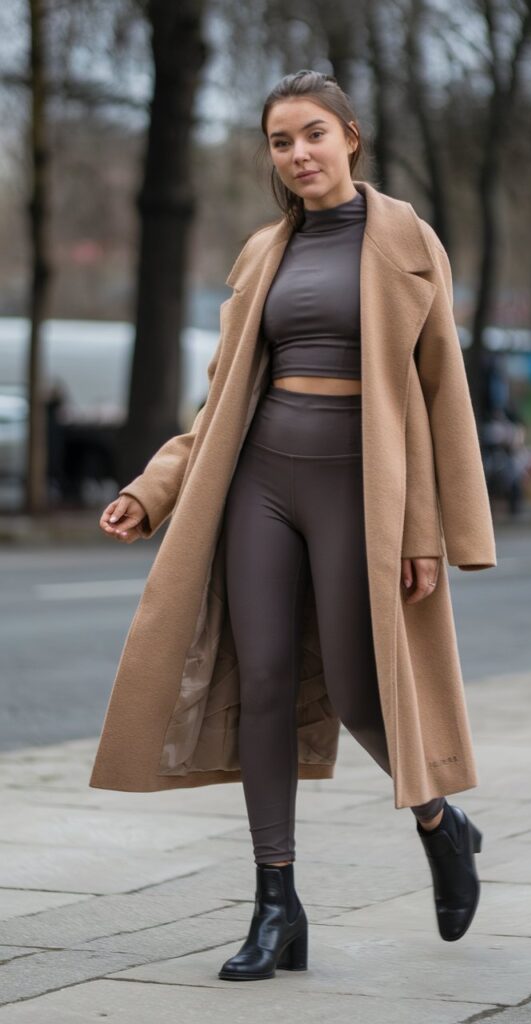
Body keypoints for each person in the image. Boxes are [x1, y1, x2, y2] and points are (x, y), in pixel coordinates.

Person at [99, 69, 489, 980]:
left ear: (350, 136)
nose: (299, 154)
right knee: (265, 683)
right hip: (261, 482)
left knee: (358, 690)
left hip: (363, 488)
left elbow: (440, 390)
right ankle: (276, 902)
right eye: (281, 141)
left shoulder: (406, 238)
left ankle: (441, 823)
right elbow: (221, 400)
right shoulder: (263, 252)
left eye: (313, 133)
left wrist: (428, 533)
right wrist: (153, 489)